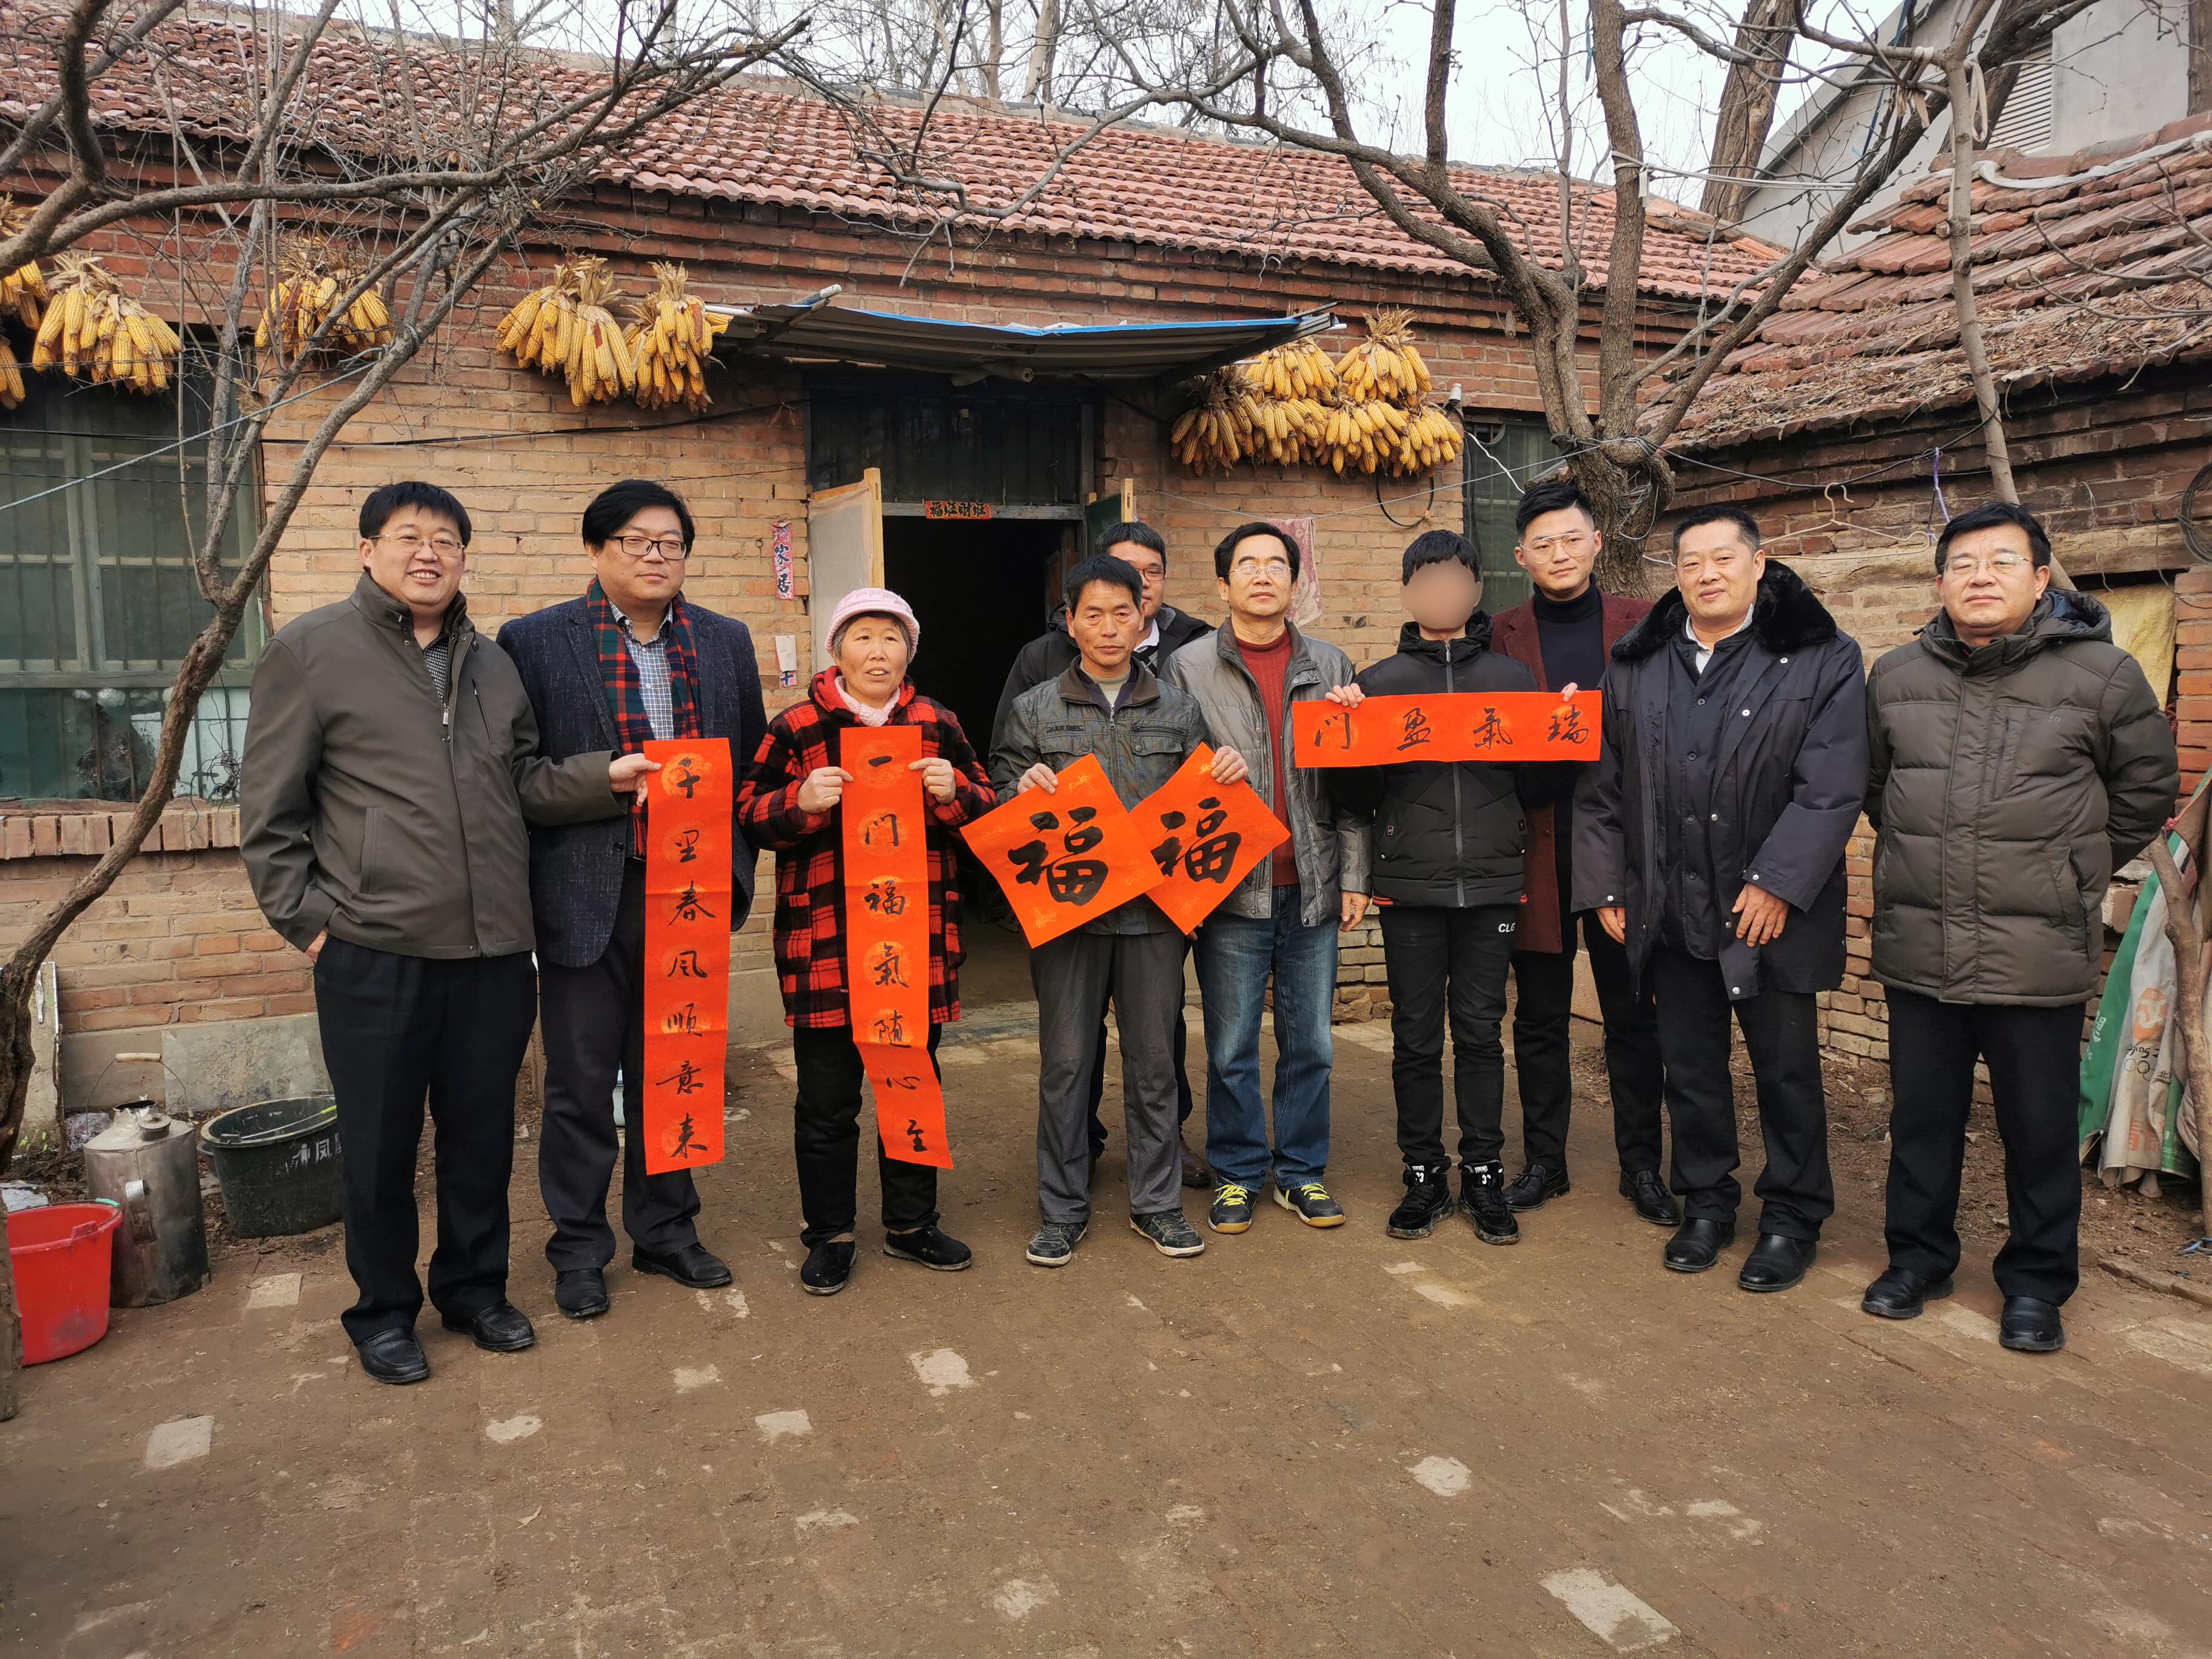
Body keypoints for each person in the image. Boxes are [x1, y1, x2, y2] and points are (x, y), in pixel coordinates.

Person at [240, 481, 652, 1385]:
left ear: (465, 557)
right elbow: (269, 812)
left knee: (480, 1137)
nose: (428, 554)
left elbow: (524, 784)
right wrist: (312, 925)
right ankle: (384, 1312)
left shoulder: (493, 664)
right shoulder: (312, 651)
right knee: (381, 1146)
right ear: (367, 550)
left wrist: (604, 779)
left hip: (494, 951)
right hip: (374, 950)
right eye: (408, 537)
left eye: (446, 541)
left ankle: (473, 1290)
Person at [1862, 501, 2176, 1353]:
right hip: (1922, 947)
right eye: (1962, 564)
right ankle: (1917, 1260)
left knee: (2037, 1131)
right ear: (1940, 583)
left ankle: (2036, 1284)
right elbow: (1880, 790)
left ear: (2040, 579)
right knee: (1922, 1121)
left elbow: (2146, 790)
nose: (1980, 578)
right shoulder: (1896, 675)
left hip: (2036, 951)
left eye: (2002, 562)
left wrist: (2071, 867)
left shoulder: (2103, 675)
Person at [1576, 504, 1867, 1292]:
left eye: (1723, 558)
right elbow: (1601, 789)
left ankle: (1793, 1217)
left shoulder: (1821, 656)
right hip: (1670, 904)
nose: (1707, 574)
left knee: (1786, 1071)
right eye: (1691, 562)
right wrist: (1608, 885)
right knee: (1691, 1068)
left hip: (1766, 911)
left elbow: (1832, 785)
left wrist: (1778, 882)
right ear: (1676, 575)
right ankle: (1705, 1201)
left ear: (1758, 564)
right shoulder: (1637, 665)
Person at [498, 480, 768, 1321]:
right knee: (581, 1083)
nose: (657, 557)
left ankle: (666, 1232)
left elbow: (751, 763)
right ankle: (579, 1250)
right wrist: (602, 781)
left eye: (671, 544)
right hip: (585, 894)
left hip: (689, 890)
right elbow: (515, 779)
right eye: (637, 542)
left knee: (677, 1069)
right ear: (596, 548)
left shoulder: (723, 641)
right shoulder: (534, 641)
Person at [735, 588, 993, 1296]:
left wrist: (954, 792)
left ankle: (912, 1225)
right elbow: (749, 814)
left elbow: (989, 811)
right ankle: (830, 1235)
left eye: (891, 638)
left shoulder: (936, 723)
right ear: (836, 650)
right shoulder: (797, 727)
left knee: (909, 1088)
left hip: (913, 944)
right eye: (863, 637)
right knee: (827, 1101)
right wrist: (799, 802)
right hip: (825, 943)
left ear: (910, 651)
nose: (878, 653)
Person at [993, 555, 1238, 1267]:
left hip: (1154, 918)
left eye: (1121, 613)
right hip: (1067, 918)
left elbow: (1204, 804)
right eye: (1092, 614)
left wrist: (1227, 773)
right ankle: (1061, 1210)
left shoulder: (1179, 710)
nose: (1107, 628)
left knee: (1155, 1064)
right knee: (1066, 1065)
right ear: (1070, 623)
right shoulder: (1034, 708)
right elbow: (998, 788)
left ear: (1143, 619)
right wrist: (1019, 787)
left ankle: (1157, 1204)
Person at [1327, 531, 1564, 1243]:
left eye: (1456, 579)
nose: (1442, 593)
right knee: (1415, 1036)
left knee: (1482, 1034)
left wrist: (1557, 732)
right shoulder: (1378, 684)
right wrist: (1346, 736)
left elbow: (1539, 791)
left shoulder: (1514, 681)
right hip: (1410, 886)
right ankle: (1423, 1174)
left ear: (1476, 589)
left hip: (1492, 885)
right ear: (1407, 593)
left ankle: (1484, 1174)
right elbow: (1358, 800)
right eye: (1427, 581)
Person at [1163, 523, 1370, 1235]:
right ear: (1222, 585)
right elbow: (1166, 777)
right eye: (1246, 565)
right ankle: (1238, 1173)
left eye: (1276, 564)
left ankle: (1302, 1171)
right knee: (1231, 1048)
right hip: (1230, 888)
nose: (1261, 575)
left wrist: (1353, 875)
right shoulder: (1187, 667)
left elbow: (1352, 783)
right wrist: (1202, 777)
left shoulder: (1332, 664)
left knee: (1311, 1043)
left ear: (1294, 582)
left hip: (1312, 885)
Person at [1489, 480, 1673, 1226]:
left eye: (1572, 539)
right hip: (1533, 850)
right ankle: (1545, 1163)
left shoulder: (1646, 625)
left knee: (1633, 1015)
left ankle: (1642, 1166)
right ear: (1521, 557)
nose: (1559, 554)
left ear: (1598, 543)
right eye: (1544, 544)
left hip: (1623, 854)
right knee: (1539, 1017)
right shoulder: (1497, 633)